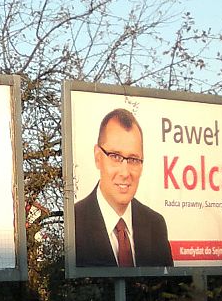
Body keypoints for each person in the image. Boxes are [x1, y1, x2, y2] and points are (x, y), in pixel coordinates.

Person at [72, 108, 174, 268]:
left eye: (133, 159)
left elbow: (168, 290)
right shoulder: (73, 222)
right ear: (98, 157)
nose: (125, 172)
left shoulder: (155, 225)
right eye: (115, 157)